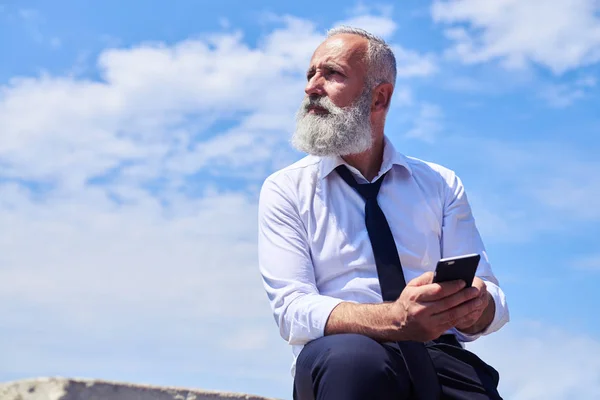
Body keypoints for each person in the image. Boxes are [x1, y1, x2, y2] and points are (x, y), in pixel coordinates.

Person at [257, 26, 509, 400]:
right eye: (310, 74)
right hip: (345, 353)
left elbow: (494, 302)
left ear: (379, 98)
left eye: (332, 73)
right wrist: (396, 319)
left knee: (474, 386)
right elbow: (292, 309)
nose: (312, 86)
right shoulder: (285, 189)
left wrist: (476, 305)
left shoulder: (440, 184)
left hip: (437, 354)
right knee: (355, 362)